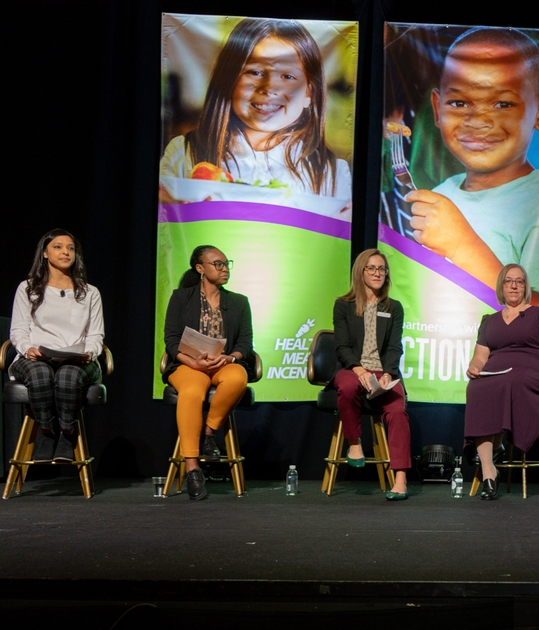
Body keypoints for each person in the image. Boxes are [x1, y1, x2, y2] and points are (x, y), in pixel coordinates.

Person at [404, 27, 539, 302]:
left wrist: (462, 246)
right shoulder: (442, 194)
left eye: (502, 104)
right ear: (437, 108)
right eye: (458, 103)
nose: (477, 121)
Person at [159, 18, 351, 211]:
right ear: (228, 81)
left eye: (288, 76)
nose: (269, 88)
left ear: (308, 93)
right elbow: (164, 233)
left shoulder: (331, 173)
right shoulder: (183, 153)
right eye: (255, 72)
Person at [464, 265, 539, 500]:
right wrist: (475, 368)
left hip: (531, 374)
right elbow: (480, 357)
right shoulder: (489, 321)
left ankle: (498, 445)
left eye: (519, 281)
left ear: (526, 286)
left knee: (512, 380)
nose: (514, 286)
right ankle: (489, 472)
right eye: (509, 281)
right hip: (495, 376)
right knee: (476, 387)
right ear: (501, 286)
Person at [162, 245, 252, 500]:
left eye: (226, 264)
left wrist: (231, 357)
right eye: (218, 264)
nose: (224, 269)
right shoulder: (181, 297)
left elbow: (246, 342)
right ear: (200, 269)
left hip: (222, 364)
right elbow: (170, 339)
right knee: (191, 391)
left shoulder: (239, 302)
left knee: (238, 377)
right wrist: (192, 363)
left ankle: (209, 433)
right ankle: (192, 468)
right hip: (189, 365)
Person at [8, 229, 104, 463]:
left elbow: (96, 334)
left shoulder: (89, 292)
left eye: (70, 248)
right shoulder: (28, 288)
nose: (65, 252)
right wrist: (28, 348)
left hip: (77, 359)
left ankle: (67, 434)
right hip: (35, 357)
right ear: (45, 253)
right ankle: (46, 432)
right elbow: (18, 330)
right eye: (58, 247)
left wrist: (89, 353)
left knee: (67, 375)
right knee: (40, 372)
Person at [331, 249, 412, 500]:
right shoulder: (343, 305)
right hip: (352, 368)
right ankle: (354, 443)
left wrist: (388, 373)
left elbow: (394, 347)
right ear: (361, 272)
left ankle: (400, 478)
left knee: (398, 409)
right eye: (372, 268)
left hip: (382, 371)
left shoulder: (393, 307)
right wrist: (358, 369)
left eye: (382, 269)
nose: (378, 273)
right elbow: (342, 346)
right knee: (347, 387)